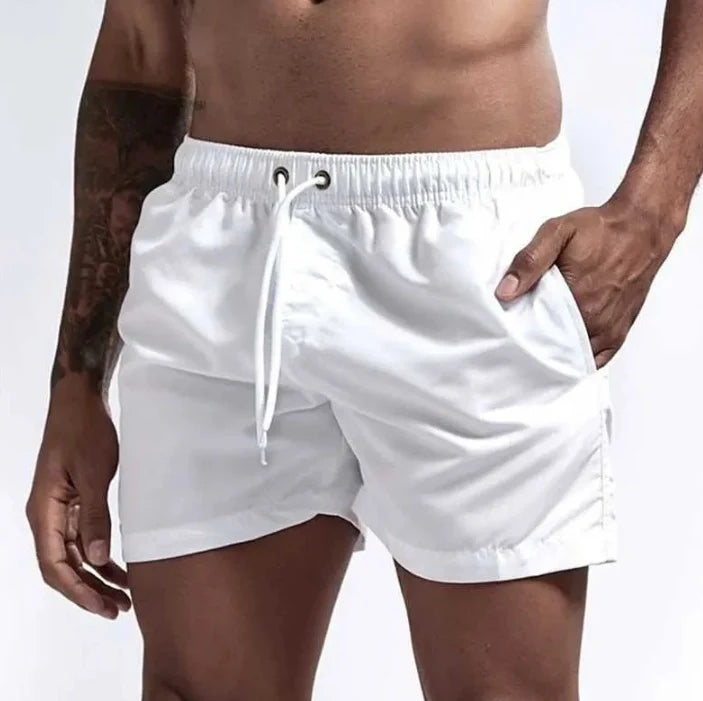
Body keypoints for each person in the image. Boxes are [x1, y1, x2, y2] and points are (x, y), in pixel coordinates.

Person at [25, 1, 702, 699]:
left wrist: (652, 211)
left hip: (475, 256)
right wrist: (77, 380)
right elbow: (140, 44)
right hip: (219, 245)